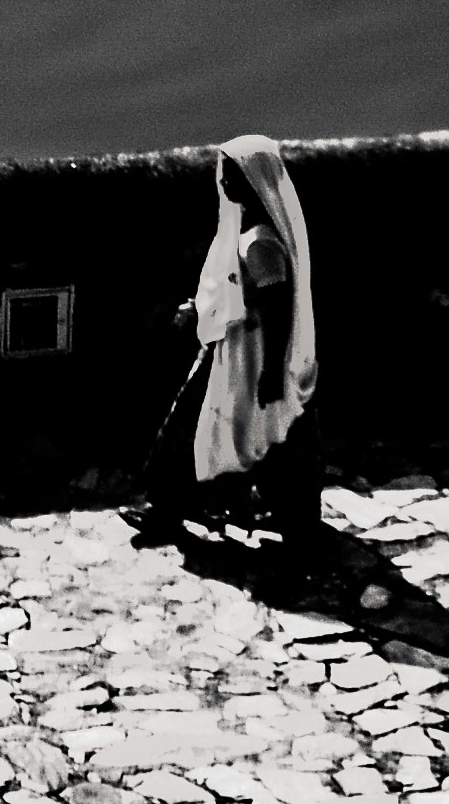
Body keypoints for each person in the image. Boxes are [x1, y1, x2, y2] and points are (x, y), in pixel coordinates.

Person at [132, 134, 322, 547]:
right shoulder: (250, 230)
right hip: (235, 346)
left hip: (244, 354)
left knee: (197, 428)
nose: (225, 182)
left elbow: (275, 306)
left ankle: (168, 509)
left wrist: (270, 372)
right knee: (265, 434)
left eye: (234, 174)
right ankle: (292, 517)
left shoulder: (258, 242)